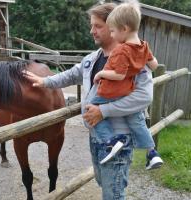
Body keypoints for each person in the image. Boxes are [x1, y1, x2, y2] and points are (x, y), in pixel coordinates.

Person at [24, 2, 154, 200]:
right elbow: (68, 75)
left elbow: (144, 97)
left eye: (97, 26)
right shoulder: (92, 59)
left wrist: (104, 111)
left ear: (115, 28)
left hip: (119, 137)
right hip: (97, 137)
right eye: (91, 25)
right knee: (104, 184)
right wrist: (44, 81)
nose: (91, 31)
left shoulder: (134, 60)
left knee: (113, 194)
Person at [90, 0, 163, 169]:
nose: (113, 35)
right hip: (129, 90)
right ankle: (152, 153)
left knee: (91, 109)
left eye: (113, 31)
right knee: (137, 120)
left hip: (113, 91)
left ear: (124, 29)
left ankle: (111, 139)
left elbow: (119, 74)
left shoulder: (122, 49)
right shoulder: (144, 46)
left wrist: (100, 73)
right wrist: (141, 63)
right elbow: (154, 65)